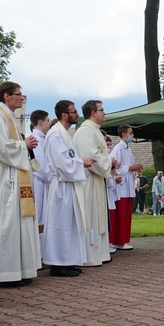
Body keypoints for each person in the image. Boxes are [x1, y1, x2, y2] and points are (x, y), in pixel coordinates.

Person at [0, 81, 41, 287]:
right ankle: (5, 274)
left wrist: (25, 146)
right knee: (8, 224)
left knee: (18, 224)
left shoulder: (10, 117)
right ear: (6, 96)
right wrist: (24, 144)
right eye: (18, 94)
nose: (22, 98)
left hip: (18, 173)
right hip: (8, 178)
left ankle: (20, 270)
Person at [42, 100, 94, 277]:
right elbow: (62, 163)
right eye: (73, 112)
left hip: (69, 185)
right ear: (64, 115)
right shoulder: (56, 135)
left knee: (70, 225)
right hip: (61, 187)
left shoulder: (64, 134)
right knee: (61, 225)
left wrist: (80, 163)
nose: (77, 114)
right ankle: (57, 263)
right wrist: (82, 163)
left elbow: (69, 158)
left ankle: (68, 260)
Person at [74, 100, 117, 264]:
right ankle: (90, 256)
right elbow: (90, 155)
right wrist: (109, 162)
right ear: (93, 112)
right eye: (102, 110)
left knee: (98, 218)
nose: (104, 113)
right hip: (89, 181)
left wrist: (108, 161)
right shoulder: (85, 131)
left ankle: (100, 253)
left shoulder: (95, 130)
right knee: (91, 218)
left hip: (97, 180)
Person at [110, 125, 143, 250]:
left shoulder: (128, 149)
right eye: (130, 133)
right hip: (121, 188)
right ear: (124, 134)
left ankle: (123, 240)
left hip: (129, 187)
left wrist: (135, 168)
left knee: (126, 216)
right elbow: (115, 167)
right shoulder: (118, 149)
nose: (132, 135)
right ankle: (117, 240)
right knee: (120, 215)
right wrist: (130, 168)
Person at [29, 109, 52, 230]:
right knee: (39, 213)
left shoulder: (43, 139)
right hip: (39, 182)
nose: (49, 123)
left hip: (44, 181)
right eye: (48, 121)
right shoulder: (35, 139)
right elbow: (40, 165)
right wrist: (52, 177)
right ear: (40, 122)